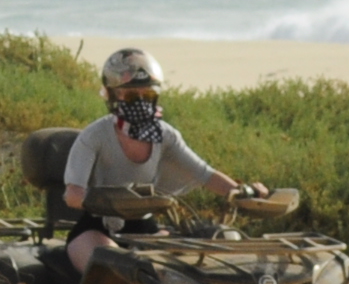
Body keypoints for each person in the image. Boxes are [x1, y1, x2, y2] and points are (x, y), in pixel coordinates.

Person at [57, 49, 261, 272]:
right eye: (133, 96)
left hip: (146, 229)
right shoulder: (95, 136)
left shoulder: (165, 135)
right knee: (112, 269)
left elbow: (205, 174)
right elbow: (73, 194)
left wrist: (246, 193)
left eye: (149, 95)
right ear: (113, 95)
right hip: (96, 229)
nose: (142, 102)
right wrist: (111, 201)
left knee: (196, 268)